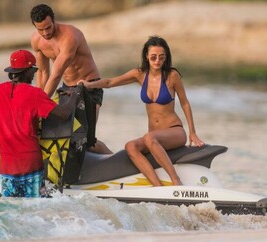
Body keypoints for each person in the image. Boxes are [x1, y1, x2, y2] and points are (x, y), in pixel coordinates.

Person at [78, 36, 204, 186]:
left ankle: (176, 181)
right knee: (131, 146)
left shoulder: (172, 76)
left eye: (161, 57)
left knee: (149, 138)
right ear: (146, 56)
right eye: (153, 57)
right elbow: (110, 82)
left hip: (174, 131)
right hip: (153, 137)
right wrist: (88, 85)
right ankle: (157, 186)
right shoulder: (140, 75)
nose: (157, 61)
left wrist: (192, 132)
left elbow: (185, 103)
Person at [0, 50, 80, 197]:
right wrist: (74, 97)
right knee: (35, 210)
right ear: (26, 71)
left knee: (12, 211)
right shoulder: (34, 94)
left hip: (6, 168)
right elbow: (64, 114)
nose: (33, 75)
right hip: (30, 165)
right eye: (33, 70)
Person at [30, 4, 112, 154]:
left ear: (54, 20)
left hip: (88, 87)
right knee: (59, 135)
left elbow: (56, 73)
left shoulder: (70, 36)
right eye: (40, 29)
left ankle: (113, 162)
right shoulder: (37, 41)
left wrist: (39, 104)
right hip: (66, 88)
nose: (45, 33)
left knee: (86, 140)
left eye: (48, 27)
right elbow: (43, 72)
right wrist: (38, 99)